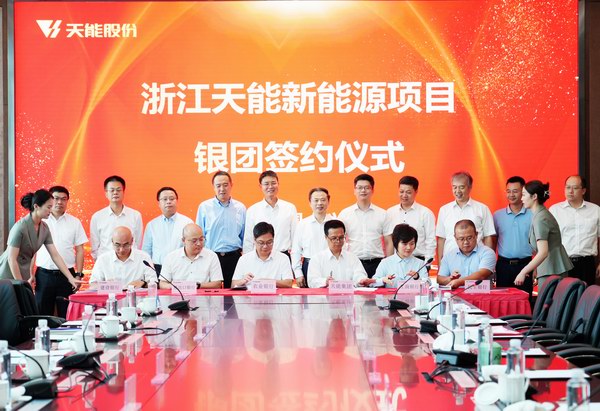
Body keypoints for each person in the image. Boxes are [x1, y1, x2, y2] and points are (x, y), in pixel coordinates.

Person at [0, 190, 82, 295]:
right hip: (8, 273)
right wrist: (20, 284)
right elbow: (11, 259)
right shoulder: (20, 227)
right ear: (36, 206)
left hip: (22, 271)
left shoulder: (44, 227)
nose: (51, 210)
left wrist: (70, 278)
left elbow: (55, 255)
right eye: (48, 207)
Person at [34, 186, 88, 317]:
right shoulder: (40, 220)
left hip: (67, 276)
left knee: (67, 314)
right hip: (43, 275)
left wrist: (78, 275)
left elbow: (80, 250)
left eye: (64, 199)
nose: (60, 202)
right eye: (56, 198)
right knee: (42, 314)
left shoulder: (74, 222)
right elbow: (32, 250)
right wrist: (30, 274)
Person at [515, 181, 573, 289]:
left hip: (551, 270)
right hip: (551, 267)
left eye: (523, 195)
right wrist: (536, 267)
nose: (521, 198)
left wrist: (523, 271)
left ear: (534, 196)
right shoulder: (540, 214)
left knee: (549, 300)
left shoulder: (540, 218)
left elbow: (543, 252)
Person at [196, 171, 246, 288]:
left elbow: (244, 236)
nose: (222, 189)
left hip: (234, 258)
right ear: (213, 187)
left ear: (231, 185)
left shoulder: (240, 208)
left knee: (234, 292)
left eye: (225, 185)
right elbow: (199, 235)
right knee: (210, 292)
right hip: (211, 257)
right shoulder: (204, 207)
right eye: (218, 186)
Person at [549, 175, 600, 286]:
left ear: (583, 191)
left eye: (575, 188)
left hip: (587, 263)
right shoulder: (555, 210)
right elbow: (548, 240)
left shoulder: (596, 210)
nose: (570, 191)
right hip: (562, 263)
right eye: (568, 187)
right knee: (564, 295)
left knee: (586, 295)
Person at [436, 171, 496, 262]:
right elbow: (441, 239)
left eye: (461, 187)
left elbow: (488, 237)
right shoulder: (444, 210)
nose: (457, 191)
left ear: (470, 187)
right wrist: (441, 264)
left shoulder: (482, 209)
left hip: (477, 260)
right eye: (454, 187)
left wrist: (487, 261)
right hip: (451, 260)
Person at [338, 174, 389, 278]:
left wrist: (389, 264)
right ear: (354, 190)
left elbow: (388, 241)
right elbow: (339, 240)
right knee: (353, 289)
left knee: (379, 288)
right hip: (353, 263)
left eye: (367, 187)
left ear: (372, 190)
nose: (363, 190)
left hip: (377, 263)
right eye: (359, 187)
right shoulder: (345, 214)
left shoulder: (382, 214)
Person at [243, 171, 297, 259]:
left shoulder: (289, 208)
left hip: (284, 257)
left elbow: (295, 238)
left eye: (273, 183)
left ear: (278, 184)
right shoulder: (252, 210)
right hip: (260, 257)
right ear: (260, 186)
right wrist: (248, 260)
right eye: (266, 184)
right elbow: (248, 241)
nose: (270, 187)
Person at [493, 176, 533, 294]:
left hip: (525, 265)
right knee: (502, 300)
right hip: (503, 266)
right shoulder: (497, 215)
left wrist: (536, 267)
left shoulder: (533, 214)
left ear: (523, 192)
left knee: (524, 299)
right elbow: (493, 243)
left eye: (515, 191)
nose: (511, 195)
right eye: (508, 191)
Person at [308, 220, 376, 288]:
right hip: (326, 294)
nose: (338, 241)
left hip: (349, 294)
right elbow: (312, 281)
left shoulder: (352, 257)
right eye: (334, 238)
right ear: (326, 237)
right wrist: (325, 281)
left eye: (341, 238)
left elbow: (359, 274)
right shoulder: (317, 259)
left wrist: (361, 280)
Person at [384, 176, 436, 263]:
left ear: (416, 191)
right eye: (401, 192)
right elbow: (388, 240)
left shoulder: (426, 213)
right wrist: (389, 262)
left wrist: (426, 263)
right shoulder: (390, 212)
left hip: (418, 260)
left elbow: (431, 240)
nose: (404, 195)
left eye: (408, 192)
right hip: (396, 261)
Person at [90, 175, 143, 260]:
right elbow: (95, 246)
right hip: (106, 261)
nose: (115, 193)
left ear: (123, 192)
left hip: (129, 261)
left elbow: (138, 243)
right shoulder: (97, 217)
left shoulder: (135, 215)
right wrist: (100, 262)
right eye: (112, 190)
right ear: (106, 193)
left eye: (118, 190)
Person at [142, 187, 193, 274]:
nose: (168, 201)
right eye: (165, 199)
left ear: (177, 201)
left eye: (172, 199)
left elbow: (191, 248)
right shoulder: (151, 225)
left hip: (181, 268)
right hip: (158, 268)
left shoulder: (187, 223)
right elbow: (146, 251)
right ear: (159, 203)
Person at [89, 226, 156, 289]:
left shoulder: (144, 258)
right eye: (117, 245)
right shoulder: (103, 259)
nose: (121, 250)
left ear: (132, 241)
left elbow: (154, 282)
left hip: (138, 297)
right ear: (112, 241)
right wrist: (107, 285)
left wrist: (143, 283)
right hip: (111, 297)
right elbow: (92, 285)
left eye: (126, 245)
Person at [159, 224, 223, 289]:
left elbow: (217, 283)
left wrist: (198, 285)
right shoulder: (171, 257)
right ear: (183, 240)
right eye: (194, 241)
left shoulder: (212, 256)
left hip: (202, 294)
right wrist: (176, 287)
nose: (199, 244)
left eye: (201, 239)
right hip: (178, 294)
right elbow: (162, 284)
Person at [291, 188, 333, 287]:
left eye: (323, 200)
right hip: (308, 266)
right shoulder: (303, 224)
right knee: (309, 296)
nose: (319, 203)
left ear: (328, 201)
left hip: (331, 265)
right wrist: (298, 273)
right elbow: (296, 251)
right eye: (316, 200)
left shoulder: (335, 223)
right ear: (310, 202)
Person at [437, 220, 496, 289]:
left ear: (476, 235)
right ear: (455, 238)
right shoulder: (448, 256)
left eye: (469, 238)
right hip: (455, 295)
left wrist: (459, 281)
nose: (466, 242)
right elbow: (439, 279)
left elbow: (481, 275)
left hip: (482, 294)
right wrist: (449, 279)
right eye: (461, 239)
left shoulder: (487, 252)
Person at [232, 222, 293, 288]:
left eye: (269, 242)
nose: (265, 246)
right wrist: (242, 281)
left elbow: (289, 283)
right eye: (261, 243)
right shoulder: (244, 259)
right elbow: (233, 285)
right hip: (250, 294)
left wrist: (269, 282)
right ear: (254, 240)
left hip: (276, 294)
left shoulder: (283, 258)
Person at [372, 224, 428, 288]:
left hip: (413, 295)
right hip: (391, 295)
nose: (408, 247)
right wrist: (382, 280)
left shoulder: (420, 263)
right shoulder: (385, 263)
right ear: (396, 243)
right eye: (405, 244)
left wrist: (417, 277)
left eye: (412, 243)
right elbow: (373, 283)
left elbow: (427, 285)